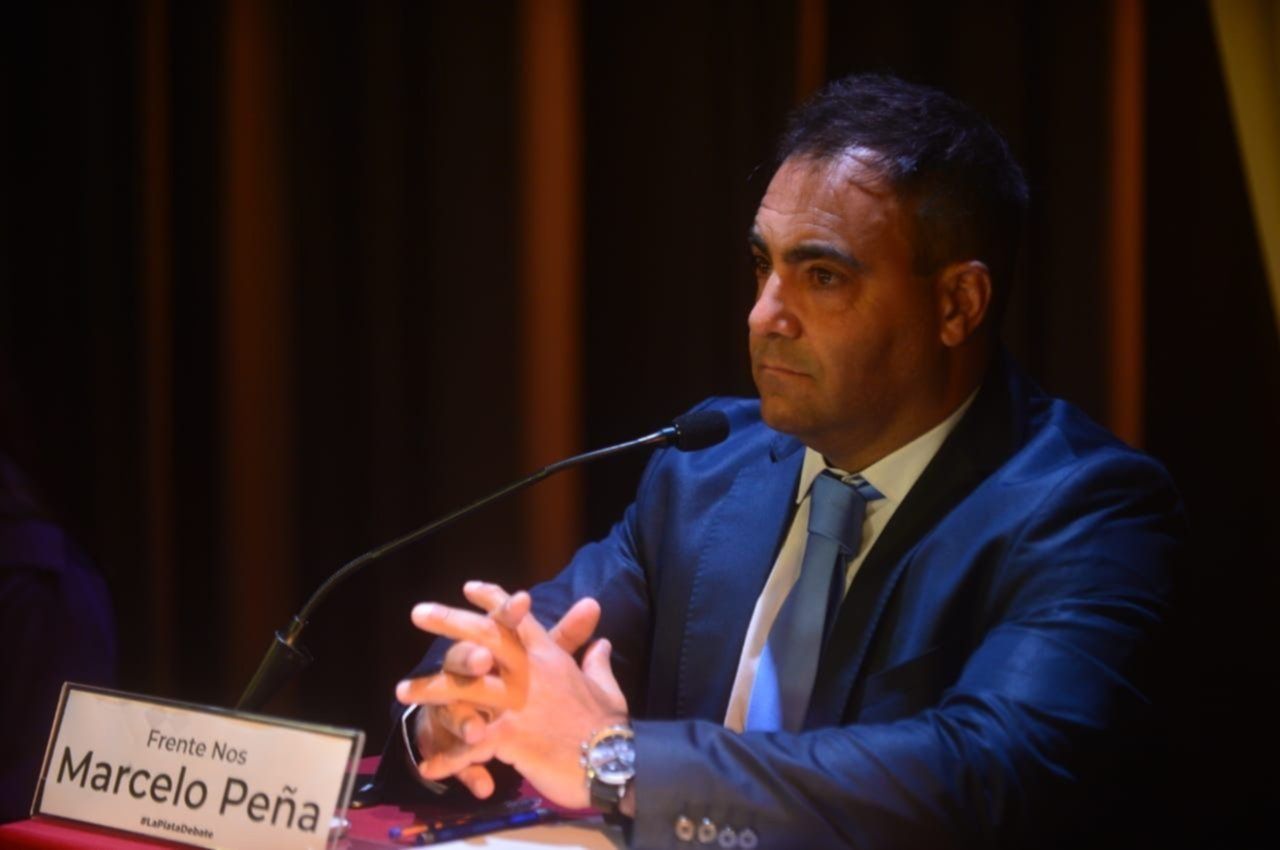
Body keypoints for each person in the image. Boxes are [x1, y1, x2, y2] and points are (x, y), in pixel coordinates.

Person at [381, 73, 1184, 849]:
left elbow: (983, 775)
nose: (764, 315)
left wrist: (619, 762)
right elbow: (540, 642)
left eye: (822, 276)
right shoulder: (707, 471)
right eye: (764, 265)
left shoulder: (1086, 508)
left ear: (956, 304)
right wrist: (466, 704)